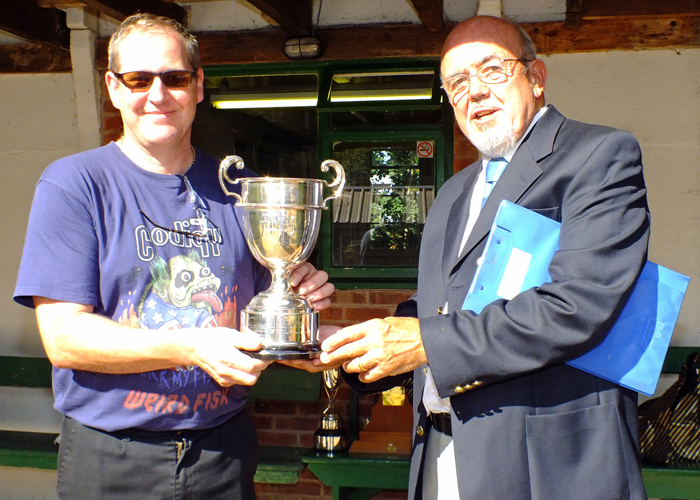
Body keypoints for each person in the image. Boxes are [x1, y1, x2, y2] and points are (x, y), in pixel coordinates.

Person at [313, 15, 650, 500]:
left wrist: (423, 341)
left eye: (493, 70)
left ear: (535, 77)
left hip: (548, 464)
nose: (475, 92)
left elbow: (578, 304)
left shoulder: (598, 156)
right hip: (441, 454)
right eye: (457, 83)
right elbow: (439, 308)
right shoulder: (453, 191)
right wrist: (350, 349)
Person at [13, 13, 334, 500]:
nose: (157, 95)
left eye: (175, 78)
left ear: (198, 85)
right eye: (138, 79)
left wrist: (298, 303)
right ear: (113, 88)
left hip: (221, 451)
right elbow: (65, 338)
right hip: (112, 458)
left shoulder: (240, 190)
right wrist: (190, 346)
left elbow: (255, 315)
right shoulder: (75, 184)